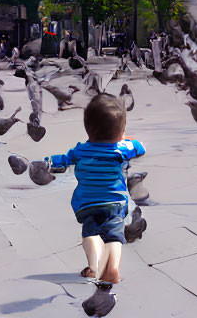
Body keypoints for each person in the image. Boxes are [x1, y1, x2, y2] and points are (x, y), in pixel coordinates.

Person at [49, 93, 145, 289]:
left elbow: (62, 160)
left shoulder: (80, 150)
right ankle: (112, 269)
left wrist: (46, 163)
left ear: (88, 128)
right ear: (120, 132)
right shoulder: (121, 148)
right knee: (114, 237)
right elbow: (140, 147)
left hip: (87, 204)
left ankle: (93, 268)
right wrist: (126, 140)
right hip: (114, 203)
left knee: (90, 236)